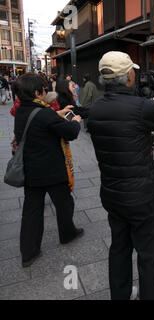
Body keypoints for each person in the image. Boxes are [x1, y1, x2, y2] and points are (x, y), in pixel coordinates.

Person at [87, 51, 154, 300]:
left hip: (112, 193)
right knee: (148, 253)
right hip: (141, 196)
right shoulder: (142, 108)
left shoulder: (95, 110)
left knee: (119, 246)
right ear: (129, 75)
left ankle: (121, 294)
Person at [13, 73, 84, 268]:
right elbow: (69, 133)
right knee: (64, 203)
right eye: (44, 90)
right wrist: (75, 122)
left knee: (31, 212)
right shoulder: (44, 113)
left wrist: (57, 114)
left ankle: (28, 253)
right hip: (52, 170)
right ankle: (67, 234)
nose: (46, 92)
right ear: (37, 92)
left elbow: (41, 122)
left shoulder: (21, 110)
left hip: (31, 171)